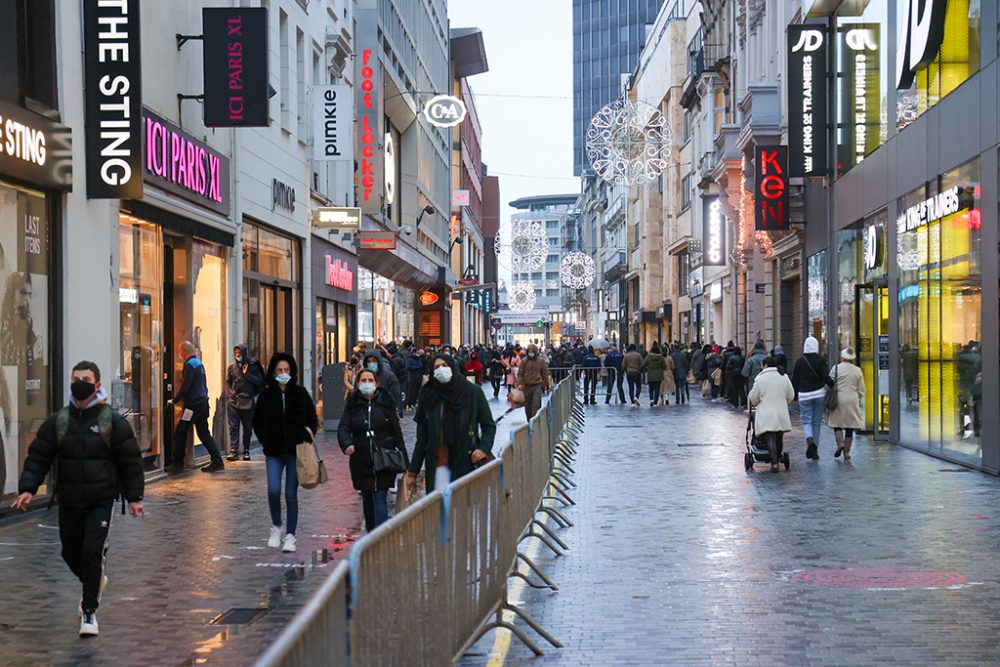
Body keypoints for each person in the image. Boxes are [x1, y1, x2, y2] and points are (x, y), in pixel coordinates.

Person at [12, 360, 144, 637]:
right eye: (75, 378)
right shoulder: (59, 421)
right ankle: (94, 583)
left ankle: (89, 612)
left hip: (101, 500)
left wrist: (134, 497)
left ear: (97, 385)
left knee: (92, 553)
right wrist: (27, 488)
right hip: (69, 499)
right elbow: (39, 457)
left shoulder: (112, 422)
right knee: (70, 552)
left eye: (85, 378)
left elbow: (130, 461)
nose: (79, 383)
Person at [252, 353, 318, 554]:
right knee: (273, 490)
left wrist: (305, 438)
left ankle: (290, 535)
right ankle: (276, 527)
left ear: (292, 372)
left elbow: (312, 420)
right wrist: (265, 439)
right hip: (273, 451)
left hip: (294, 451)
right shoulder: (265, 395)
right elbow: (257, 421)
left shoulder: (300, 393)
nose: (283, 374)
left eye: (286, 370)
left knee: (290, 494)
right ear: (273, 372)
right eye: (280, 370)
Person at [406, 355, 497, 494]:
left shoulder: (472, 391)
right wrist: (413, 472)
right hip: (438, 465)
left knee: (462, 508)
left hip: (465, 462)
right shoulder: (428, 394)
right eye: (436, 367)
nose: (441, 369)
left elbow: (488, 425)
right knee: (441, 510)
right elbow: (422, 438)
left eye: (444, 365)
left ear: (452, 367)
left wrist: (483, 448)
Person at [338, 369, 406, 531]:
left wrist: (405, 461)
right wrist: (347, 444)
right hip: (361, 460)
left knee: (379, 497)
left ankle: (379, 537)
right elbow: (343, 428)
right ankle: (370, 535)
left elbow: (396, 432)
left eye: (370, 380)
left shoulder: (385, 404)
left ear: (376, 383)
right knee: (368, 498)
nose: (367, 384)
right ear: (358, 383)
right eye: (363, 380)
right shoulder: (353, 405)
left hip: (384, 459)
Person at [167, 341, 225, 474]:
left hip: (192, 407)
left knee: (180, 431)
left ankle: (177, 464)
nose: (179, 354)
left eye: (180, 351)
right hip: (203, 404)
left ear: (184, 352)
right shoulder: (199, 363)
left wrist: (174, 400)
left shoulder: (189, 365)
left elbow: (186, 387)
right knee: (204, 433)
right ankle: (217, 461)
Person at [748, 356, 795, 472]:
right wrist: (784, 402)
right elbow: (791, 395)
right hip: (780, 412)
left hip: (766, 413)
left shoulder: (760, 379)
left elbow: (754, 398)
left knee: (770, 437)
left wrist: (756, 402)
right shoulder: (783, 377)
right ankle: (777, 458)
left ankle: (774, 464)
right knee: (779, 437)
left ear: (765, 365)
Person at [791, 336, 834, 461]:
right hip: (819, 394)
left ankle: (809, 439)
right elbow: (826, 377)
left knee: (806, 420)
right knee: (816, 422)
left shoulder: (800, 361)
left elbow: (795, 379)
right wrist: (833, 386)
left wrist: (794, 396)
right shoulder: (820, 361)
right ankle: (815, 448)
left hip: (804, 395)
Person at [225, 344, 264, 461]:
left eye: (239, 353)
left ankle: (246, 450)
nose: (237, 355)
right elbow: (228, 381)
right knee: (233, 426)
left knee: (247, 427)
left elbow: (259, 381)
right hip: (234, 400)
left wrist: (246, 374)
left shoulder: (253, 366)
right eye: (236, 353)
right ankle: (234, 450)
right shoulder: (231, 367)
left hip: (247, 400)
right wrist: (229, 394)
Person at [827, 347, 866, 461]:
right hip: (852, 400)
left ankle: (840, 443)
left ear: (842, 357)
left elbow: (829, 382)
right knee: (850, 426)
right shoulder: (858, 370)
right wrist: (859, 399)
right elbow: (861, 389)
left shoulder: (836, 368)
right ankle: (847, 452)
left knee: (836, 423)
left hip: (839, 399)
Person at [518, 344, 552, 419]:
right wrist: (520, 383)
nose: (531, 353)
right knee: (527, 405)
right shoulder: (524, 361)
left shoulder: (540, 361)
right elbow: (520, 374)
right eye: (529, 351)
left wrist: (547, 385)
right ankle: (529, 420)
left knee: (536, 404)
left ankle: (534, 420)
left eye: (532, 351)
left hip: (537, 385)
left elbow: (544, 374)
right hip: (526, 386)